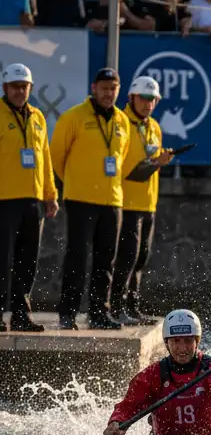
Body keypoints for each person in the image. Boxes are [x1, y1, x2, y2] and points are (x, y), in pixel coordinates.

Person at [104, 309, 211, 435]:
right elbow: (128, 406)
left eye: (188, 341)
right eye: (176, 341)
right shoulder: (152, 375)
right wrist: (117, 422)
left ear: (197, 342)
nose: (182, 348)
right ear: (167, 343)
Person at [50, 68, 131, 331]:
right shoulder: (73, 116)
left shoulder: (122, 120)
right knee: (77, 257)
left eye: (114, 88)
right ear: (93, 88)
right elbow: (56, 158)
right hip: (81, 199)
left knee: (106, 260)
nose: (109, 93)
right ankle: (68, 313)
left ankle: (99, 313)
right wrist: (75, 182)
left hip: (112, 201)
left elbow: (123, 158)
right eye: (104, 88)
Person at [111, 77, 173, 328]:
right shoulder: (120, 122)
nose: (148, 104)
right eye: (143, 98)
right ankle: (116, 307)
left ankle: (132, 307)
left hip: (148, 203)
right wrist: (157, 162)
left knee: (141, 259)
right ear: (131, 98)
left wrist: (160, 160)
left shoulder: (155, 127)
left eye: (153, 100)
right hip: (125, 202)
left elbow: (149, 164)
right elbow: (124, 167)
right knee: (125, 258)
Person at [0, 64, 57, 333]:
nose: (20, 91)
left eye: (24, 87)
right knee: (2, 258)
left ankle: (21, 315)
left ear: (30, 88)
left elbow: (44, 158)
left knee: (27, 260)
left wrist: (50, 195)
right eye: (15, 87)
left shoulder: (38, 117)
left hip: (32, 200)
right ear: (5, 88)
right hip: (4, 198)